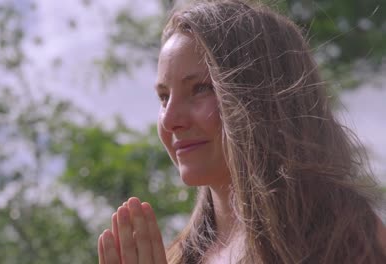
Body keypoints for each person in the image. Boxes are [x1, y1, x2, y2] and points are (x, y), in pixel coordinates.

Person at [97, 0, 386, 263]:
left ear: (265, 99)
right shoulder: (176, 257)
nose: (171, 120)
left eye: (200, 89)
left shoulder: (347, 237)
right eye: (163, 97)